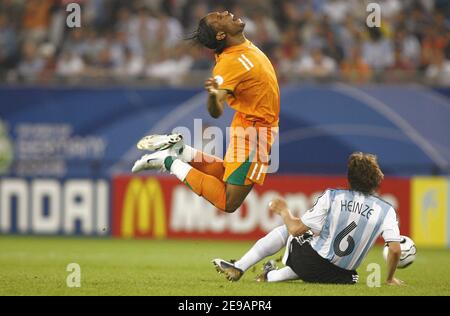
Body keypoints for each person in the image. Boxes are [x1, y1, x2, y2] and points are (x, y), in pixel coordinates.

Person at [132, 11, 280, 213]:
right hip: (254, 132)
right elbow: (216, 109)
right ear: (220, 35)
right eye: (219, 18)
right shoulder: (228, 64)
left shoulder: (241, 46)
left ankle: (183, 152)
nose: (225, 13)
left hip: (252, 126)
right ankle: (168, 162)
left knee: (227, 174)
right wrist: (213, 95)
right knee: (229, 201)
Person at [213, 152, 404, 286]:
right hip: (343, 276)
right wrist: (389, 279)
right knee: (317, 240)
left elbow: (296, 230)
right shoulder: (386, 210)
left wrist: (284, 210)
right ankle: (270, 276)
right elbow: (395, 249)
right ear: (375, 178)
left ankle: (240, 266)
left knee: (291, 230)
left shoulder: (333, 196)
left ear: (350, 178)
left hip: (311, 263)